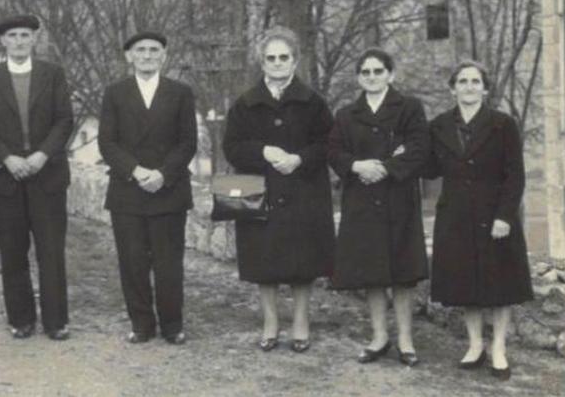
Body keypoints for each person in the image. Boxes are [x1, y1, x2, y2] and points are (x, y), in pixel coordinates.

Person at [222, 26, 335, 353]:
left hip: (303, 191)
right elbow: (231, 146)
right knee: (263, 261)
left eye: (283, 57)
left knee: (303, 263)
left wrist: (300, 159)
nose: (277, 63)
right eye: (270, 58)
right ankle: (270, 322)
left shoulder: (313, 102)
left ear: (295, 61)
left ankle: (301, 321)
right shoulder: (245, 104)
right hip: (260, 191)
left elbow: (329, 143)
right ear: (262, 62)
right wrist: (263, 152)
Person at [424, 61, 532, 380]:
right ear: (452, 88)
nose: (469, 86)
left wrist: (504, 216)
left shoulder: (503, 124)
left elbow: (516, 176)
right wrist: (406, 151)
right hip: (455, 217)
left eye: (475, 81)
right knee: (465, 283)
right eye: (462, 81)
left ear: (485, 88)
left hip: (494, 217)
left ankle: (498, 348)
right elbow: (430, 168)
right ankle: (474, 345)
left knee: (501, 285)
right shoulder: (440, 126)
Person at [0, 15, 74, 341]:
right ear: (3, 41)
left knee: (51, 251)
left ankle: (56, 321)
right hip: (6, 178)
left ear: (34, 39)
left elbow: (63, 120)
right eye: (12, 35)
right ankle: (21, 319)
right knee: (13, 251)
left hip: (48, 176)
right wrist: (8, 158)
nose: (19, 41)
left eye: (25, 35)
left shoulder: (53, 75)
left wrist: (42, 155)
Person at [327, 48, 429, 366]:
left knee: (402, 274)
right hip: (362, 203)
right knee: (372, 273)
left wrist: (384, 167)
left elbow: (418, 148)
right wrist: (357, 166)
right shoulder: (346, 114)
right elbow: (334, 151)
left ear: (391, 75)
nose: (372, 77)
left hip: (399, 202)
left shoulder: (409, 108)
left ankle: (406, 340)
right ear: (359, 78)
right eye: (366, 72)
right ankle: (379, 336)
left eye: (378, 71)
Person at [97, 31, 197, 345]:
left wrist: (163, 174)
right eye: (140, 50)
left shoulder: (180, 92)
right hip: (128, 191)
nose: (148, 55)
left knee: (169, 263)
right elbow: (107, 142)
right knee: (133, 262)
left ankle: (172, 325)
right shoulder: (115, 93)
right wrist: (136, 171)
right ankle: (141, 324)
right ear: (129, 56)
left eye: (154, 50)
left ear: (164, 55)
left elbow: (188, 142)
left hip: (168, 191)